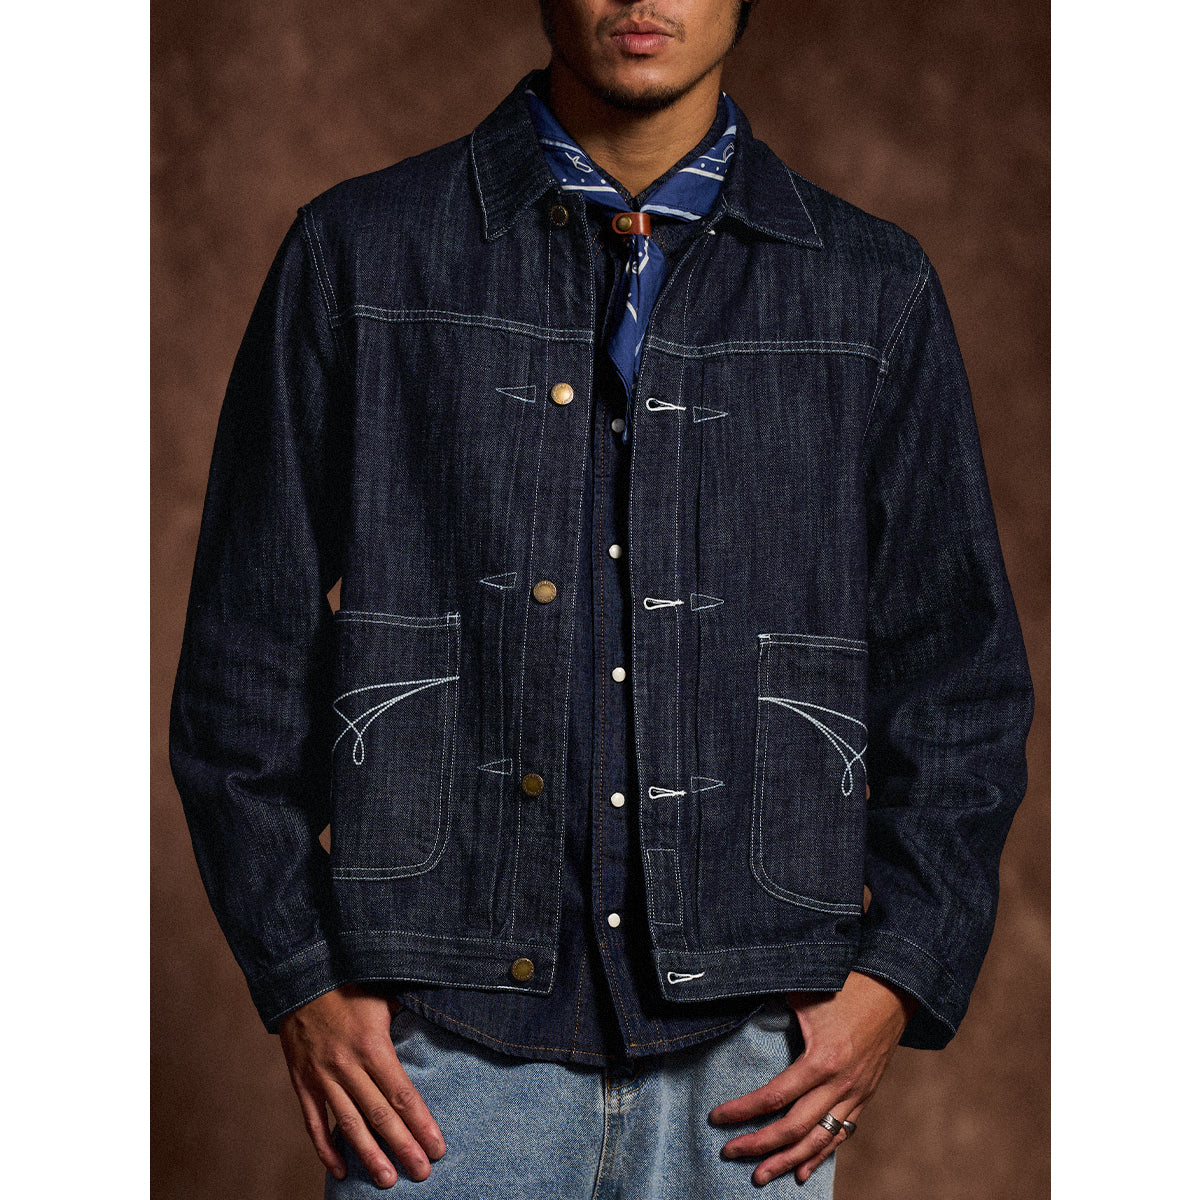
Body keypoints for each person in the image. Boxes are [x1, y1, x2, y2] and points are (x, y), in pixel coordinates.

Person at [168, 1, 1035, 1195]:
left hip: (752, 1051)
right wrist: (300, 977)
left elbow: (961, 678)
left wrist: (896, 975)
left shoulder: (870, 288)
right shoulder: (358, 256)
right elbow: (242, 662)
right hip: (432, 1046)